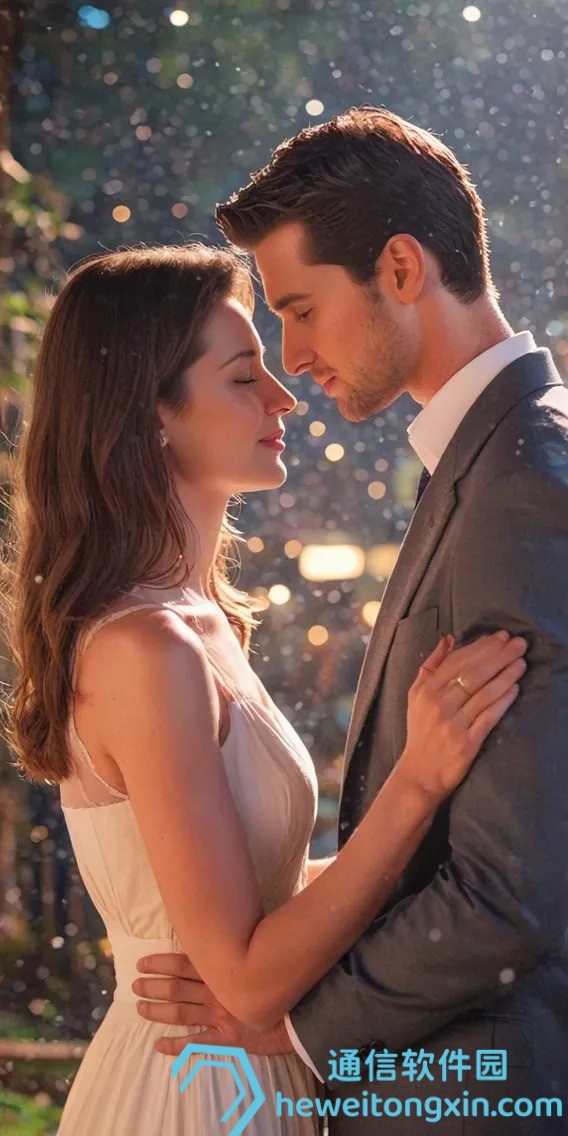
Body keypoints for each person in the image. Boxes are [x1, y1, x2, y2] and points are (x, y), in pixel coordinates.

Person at [3, 243, 524, 1136]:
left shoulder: (202, 623)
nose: (283, 396)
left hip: (243, 1076)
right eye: (244, 376)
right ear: (149, 411)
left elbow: (270, 900)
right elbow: (245, 981)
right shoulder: (147, 648)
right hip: (193, 1092)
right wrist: (416, 782)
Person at [133, 108, 568, 1133]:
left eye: (301, 309)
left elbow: (512, 889)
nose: (291, 358)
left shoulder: (519, 484)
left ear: (402, 268)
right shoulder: (490, 460)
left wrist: (292, 1027)